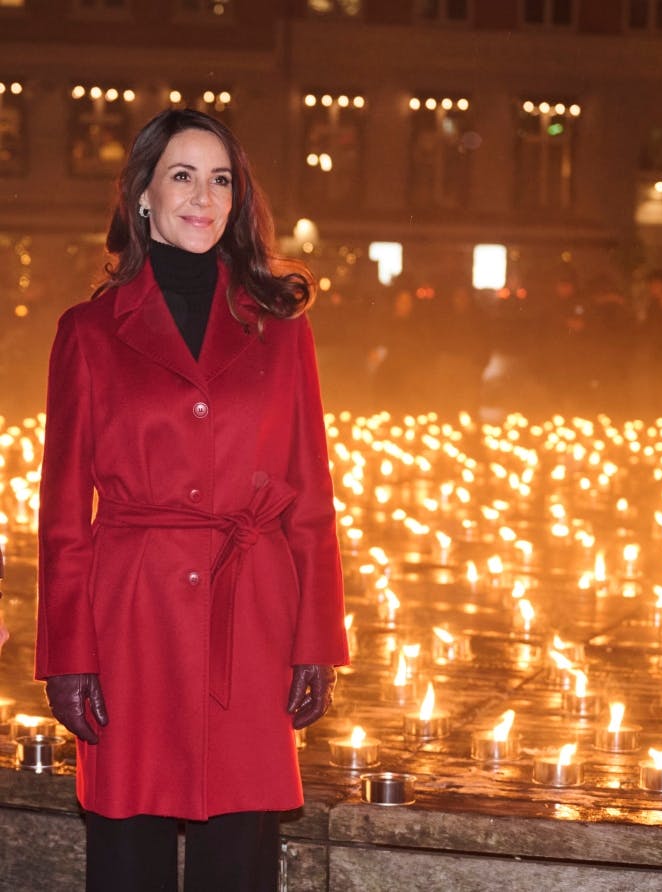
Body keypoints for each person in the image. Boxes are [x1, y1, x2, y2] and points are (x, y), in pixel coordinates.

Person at [36, 108, 348, 892]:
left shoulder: (282, 329)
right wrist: (67, 656)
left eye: (221, 180)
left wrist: (316, 637)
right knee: (128, 846)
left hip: (251, 615)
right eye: (182, 175)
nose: (203, 197)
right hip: (131, 616)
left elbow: (310, 493)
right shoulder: (89, 333)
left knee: (242, 851)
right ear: (142, 194)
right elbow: (64, 513)